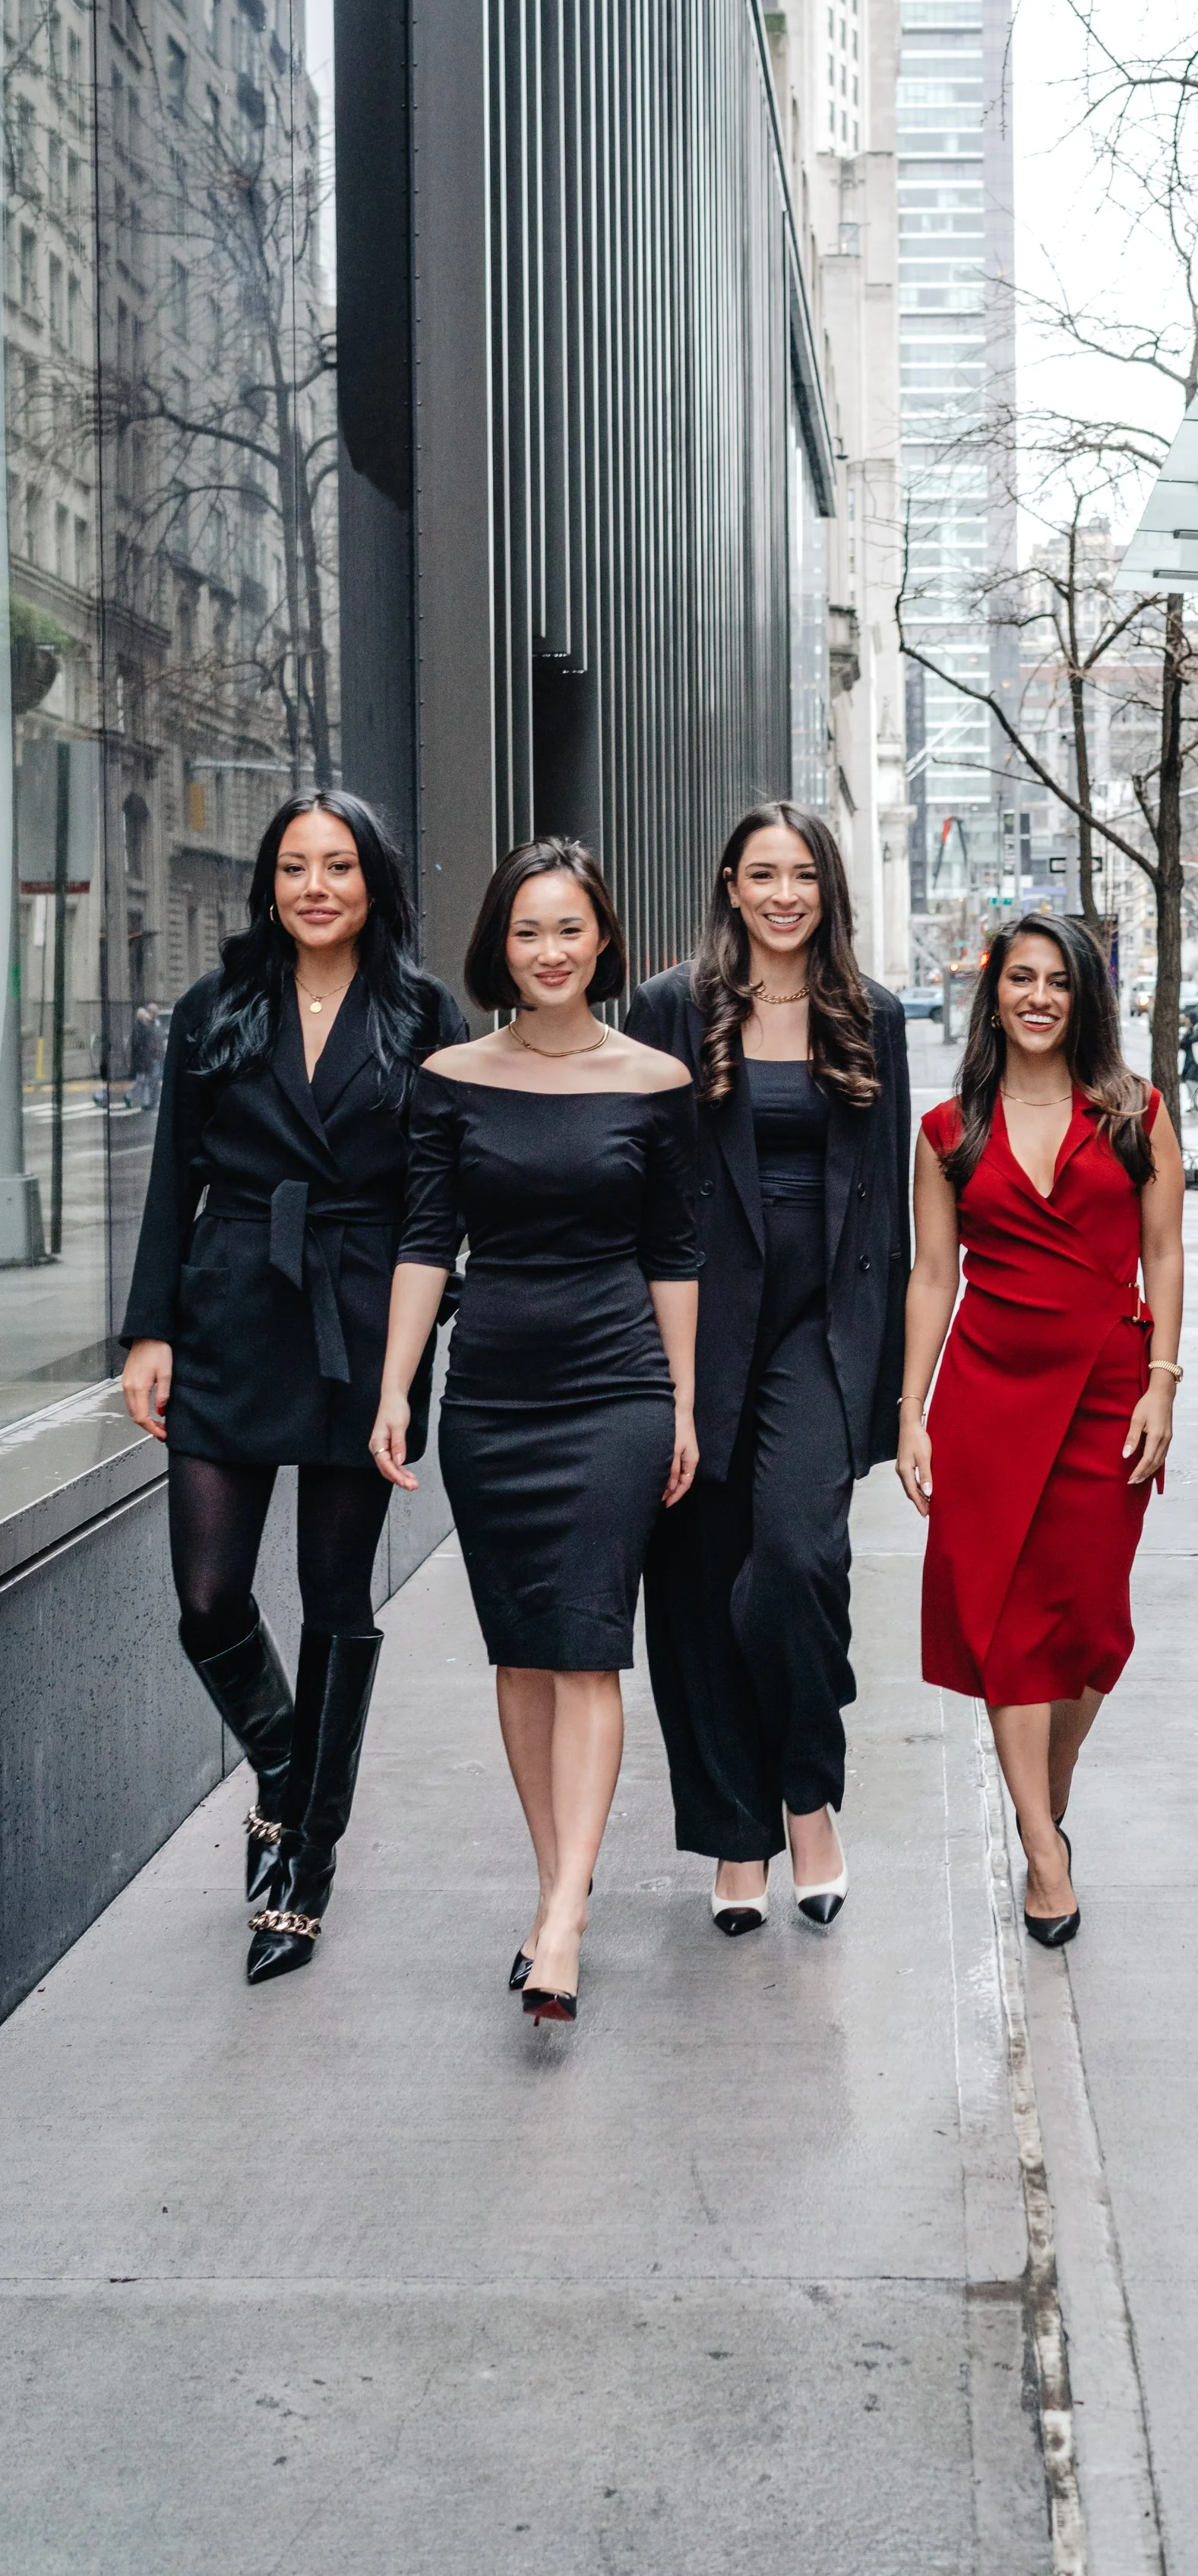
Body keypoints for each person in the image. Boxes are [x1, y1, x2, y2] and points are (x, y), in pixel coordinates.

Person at [119, 790, 466, 1983]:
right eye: (294, 867)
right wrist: (149, 1328)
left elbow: (438, 1204)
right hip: (228, 1310)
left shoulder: (424, 1015)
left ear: (375, 881)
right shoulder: (219, 1006)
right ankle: (284, 1764)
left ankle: (305, 1859)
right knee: (208, 1596)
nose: (316, 886)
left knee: (333, 1599)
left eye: (339, 866)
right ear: (268, 884)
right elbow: (174, 1176)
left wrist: (408, 1366)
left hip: (360, 1325)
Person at [372, 839, 698, 2025]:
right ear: (498, 948)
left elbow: (675, 1253)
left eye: (569, 930)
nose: (550, 952)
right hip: (495, 1395)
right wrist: (398, 1386)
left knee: (587, 1644)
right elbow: (423, 1241)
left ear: (602, 940)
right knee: (519, 1653)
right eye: (527, 932)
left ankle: (561, 1919)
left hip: (615, 1388)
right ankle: (557, 1878)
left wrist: (686, 1400)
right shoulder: (450, 1076)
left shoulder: (657, 1082)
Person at [629, 802, 909, 1935]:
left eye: (803, 874)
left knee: (794, 1564)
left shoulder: (871, 1016)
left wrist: (893, 1381)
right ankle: (736, 1832)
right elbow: (640, 1180)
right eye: (762, 874)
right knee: (698, 1594)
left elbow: (888, 1200)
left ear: (825, 889)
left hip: (819, 1331)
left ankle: (808, 1795)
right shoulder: (669, 1009)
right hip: (699, 1325)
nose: (784, 893)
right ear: (730, 887)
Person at [899, 913, 1185, 1949]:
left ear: (1085, 998)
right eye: (1019, 978)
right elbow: (932, 1277)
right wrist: (911, 1412)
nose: (1037, 997)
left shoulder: (1135, 1111)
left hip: (1109, 1388)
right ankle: (1042, 1845)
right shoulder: (946, 1130)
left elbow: (1166, 1253)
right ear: (994, 992)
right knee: (1007, 1626)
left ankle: (1046, 1795)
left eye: (1058, 981)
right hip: (987, 1394)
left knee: (1094, 1628)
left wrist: (1163, 1382)